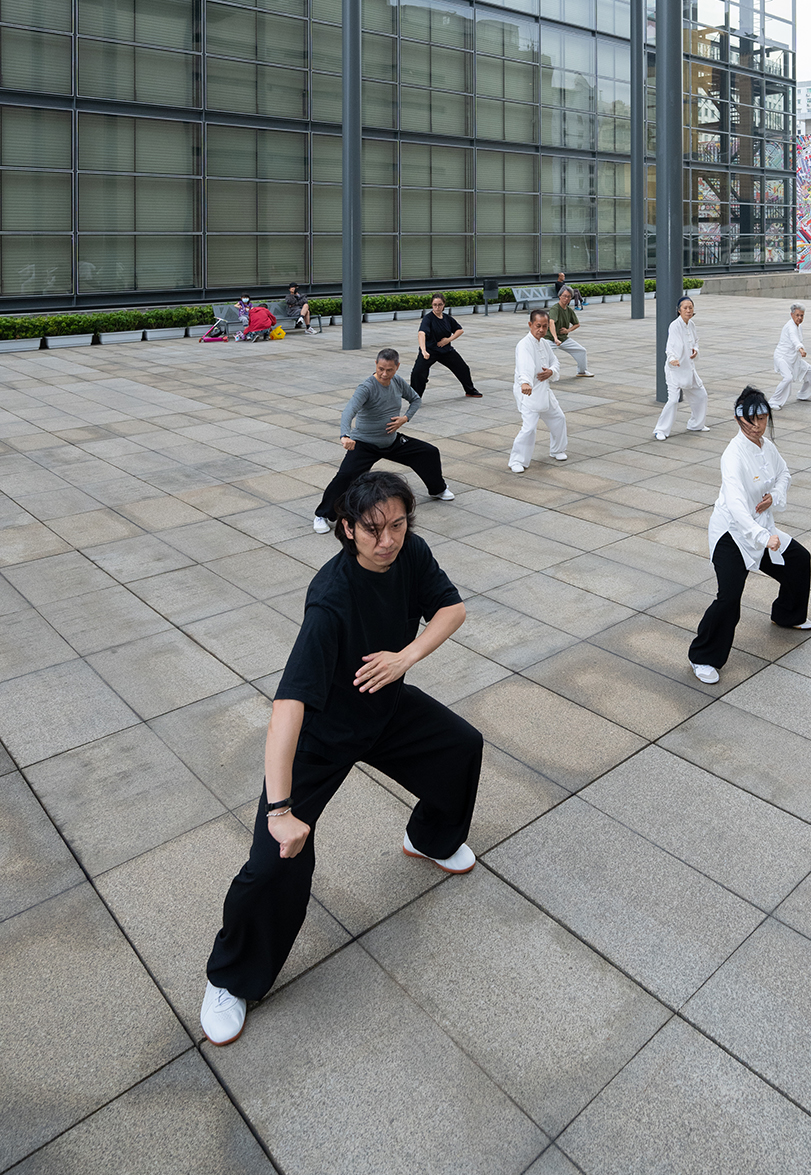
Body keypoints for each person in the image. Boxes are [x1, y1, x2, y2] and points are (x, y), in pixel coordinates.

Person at [199, 471, 482, 1046]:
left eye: (398, 524)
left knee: (460, 746)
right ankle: (230, 979)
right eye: (373, 529)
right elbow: (287, 708)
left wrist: (404, 658)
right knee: (277, 859)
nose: (388, 539)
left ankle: (429, 839)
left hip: (383, 705)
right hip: (322, 735)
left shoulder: (412, 552)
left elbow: (452, 610)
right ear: (347, 529)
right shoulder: (331, 599)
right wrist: (281, 808)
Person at [688, 386, 811, 682]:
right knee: (729, 598)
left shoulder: (766, 446)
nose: (757, 426)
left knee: (799, 559)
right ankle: (702, 657)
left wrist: (774, 496)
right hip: (731, 535)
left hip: (761, 528)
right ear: (738, 420)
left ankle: (787, 615)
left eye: (762, 418)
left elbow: (784, 474)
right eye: (750, 420)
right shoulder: (732, 456)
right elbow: (735, 505)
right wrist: (761, 537)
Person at [313, 349, 452, 534]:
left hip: (392, 441)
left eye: (389, 370)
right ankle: (322, 515)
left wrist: (405, 418)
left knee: (428, 452)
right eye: (381, 369)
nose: (385, 374)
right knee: (345, 476)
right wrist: (344, 435)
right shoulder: (367, 387)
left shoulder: (397, 381)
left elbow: (416, 400)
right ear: (375, 365)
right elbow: (348, 411)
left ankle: (437, 489)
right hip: (365, 444)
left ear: (397, 367)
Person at [509, 310, 567, 472]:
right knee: (529, 428)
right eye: (538, 326)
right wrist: (525, 382)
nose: (541, 330)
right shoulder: (524, 344)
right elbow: (524, 365)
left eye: (544, 326)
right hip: (528, 393)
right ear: (530, 325)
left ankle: (557, 450)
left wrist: (551, 372)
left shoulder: (545, 343)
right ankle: (517, 461)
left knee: (559, 418)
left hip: (544, 390)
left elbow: (555, 362)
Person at [655, 294, 707, 439]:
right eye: (685, 308)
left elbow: (696, 341)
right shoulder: (674, 326)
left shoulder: (692, 325)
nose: (688, 310)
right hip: (675, 369)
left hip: (688, 368)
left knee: (701, 395)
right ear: (679, 310)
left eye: (691, 307)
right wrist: (672, 359)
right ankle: (661, 430)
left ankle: (696, 424)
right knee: (673, 400)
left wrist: (695, 350)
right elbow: (669, 347)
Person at [410, 294, 481, 400]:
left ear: (444, 305)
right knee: (418, 373)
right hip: (429, 351)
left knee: (463, 368)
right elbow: (421, 333)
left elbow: (459, 330)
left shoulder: (447, 318)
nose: (437, 307)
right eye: (435, 305)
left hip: (446, 351)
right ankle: (414, 398)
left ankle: (470, 390)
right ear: (431, 305)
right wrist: (423, 350)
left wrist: (448, 340)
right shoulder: (428, 319)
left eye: (440, 305)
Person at [770, 302, 811, 409]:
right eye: (797, 315)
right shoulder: (790, 326)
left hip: (794, 358)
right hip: (782, 357)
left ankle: (804, 395)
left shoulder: (798, 327)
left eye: (802, 315)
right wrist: (800, 349)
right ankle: (773, 401)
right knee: (787, 378)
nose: (799, 318)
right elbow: (794, 339)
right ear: (792, 315)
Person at [549, 285, 593, 378]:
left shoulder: (569, 310)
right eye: (564, 296)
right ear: (560, 296)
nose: (566, 298)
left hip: (563, 339)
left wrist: (567, 330)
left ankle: (582, 372)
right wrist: (555, 338)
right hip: (550, 339)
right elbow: (551, 322)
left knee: (581, 351)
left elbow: (577, 324)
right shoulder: (555, 308)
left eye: (568, 297)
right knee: (544, 355)